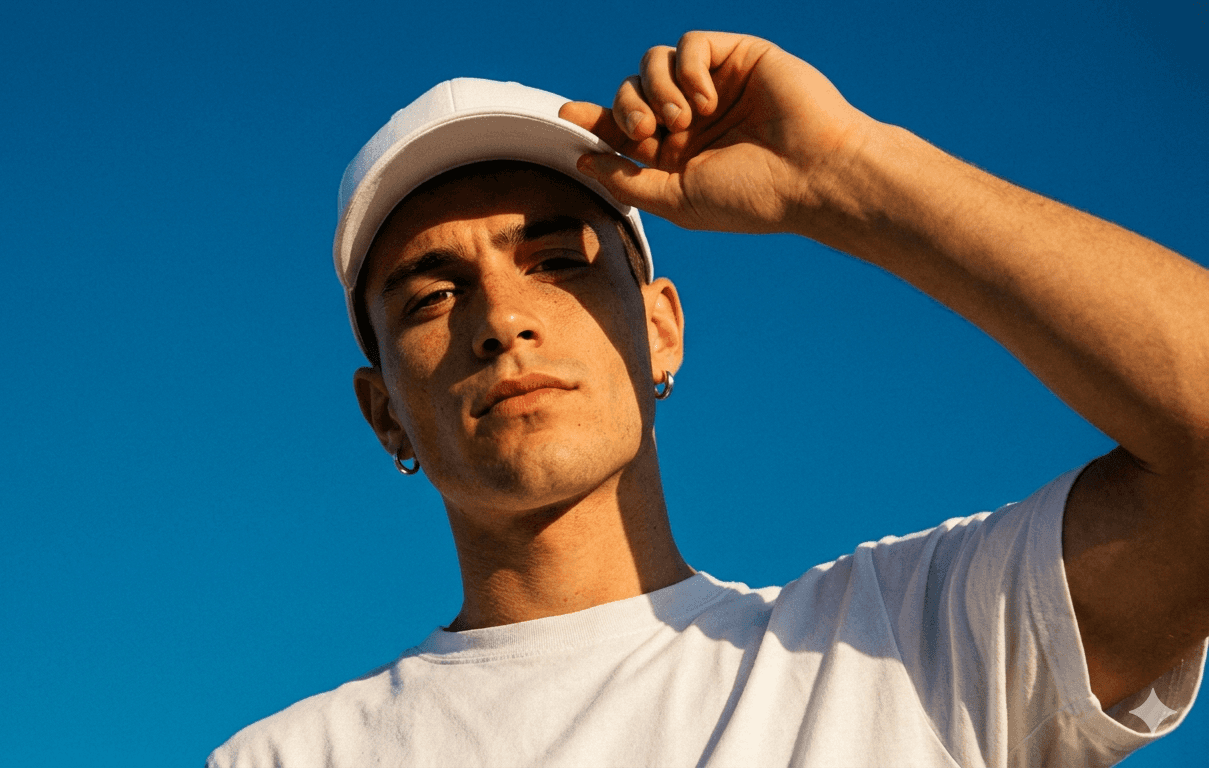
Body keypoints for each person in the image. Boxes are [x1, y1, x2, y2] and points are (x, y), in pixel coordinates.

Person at [208, 31, 1208, 766]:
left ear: (659, 331)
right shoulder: (292, 758)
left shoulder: (902, 645)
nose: (500, 320)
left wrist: (846, 174)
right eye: (431, 295)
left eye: (558, 260)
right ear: (385, 414)